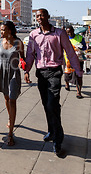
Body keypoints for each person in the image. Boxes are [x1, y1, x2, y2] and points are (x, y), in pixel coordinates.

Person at [24, 9, 83, 157]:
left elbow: (70, 52)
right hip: (41, 74)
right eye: (37, 16)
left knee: (53, 105)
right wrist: (26, 70)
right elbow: (30, 54)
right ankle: (51, 131)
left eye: (42, 15)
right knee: (46, 104)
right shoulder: (33, 35)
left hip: (54, 72)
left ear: (48, 17)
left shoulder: (59, 33)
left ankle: (58, 140)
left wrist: (78, 71)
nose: (39, 18)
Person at [0, 21, 25, 146]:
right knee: (6, 98)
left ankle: (10, 133)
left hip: (13, 73)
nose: (2, 32)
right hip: (2, 73)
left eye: (4, 30)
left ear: (10, 30)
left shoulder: (18, 43)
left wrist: (25, 69)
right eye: (1, 30)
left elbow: (23, 57)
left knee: (12, 100)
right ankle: (10, 117)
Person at [64, 26, 87, 98]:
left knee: (78, 76)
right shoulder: (65, 38)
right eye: (68, 32)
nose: (70, 33)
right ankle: (67, 84)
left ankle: (78, 92)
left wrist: (80, 47)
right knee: (67, 75)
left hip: (78, 59)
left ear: (73, 31)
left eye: (71, 32)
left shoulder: (79, 37)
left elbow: (85, 47)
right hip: (67, 60)